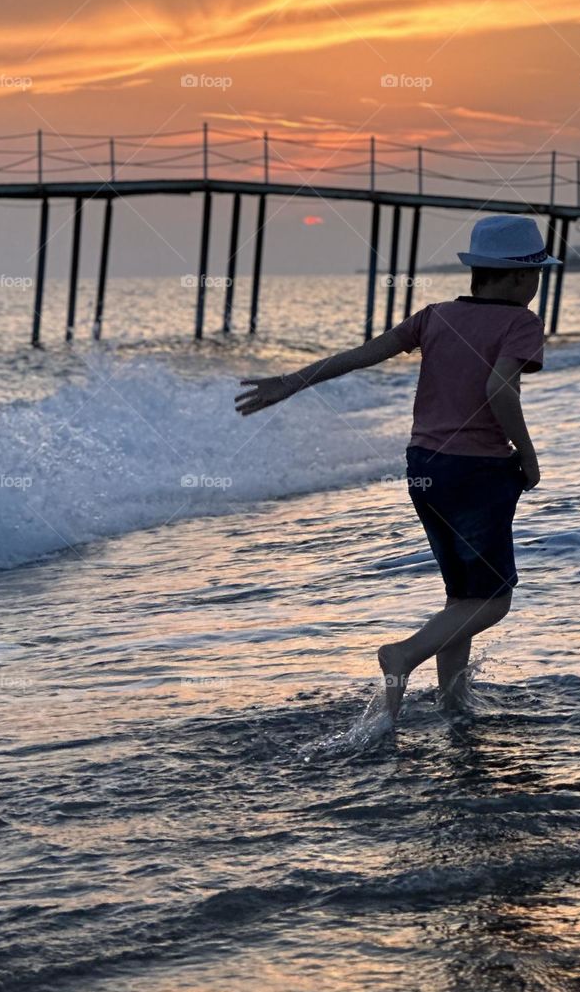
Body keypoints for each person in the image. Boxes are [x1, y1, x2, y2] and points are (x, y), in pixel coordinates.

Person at [234, 214, 561, 722]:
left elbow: (366, 354)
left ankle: (454, 704)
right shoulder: (521, 323)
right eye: (537, 273)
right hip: (480, 472)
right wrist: (530, 458)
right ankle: (403, 655)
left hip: (425, 468)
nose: (538, 284)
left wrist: (291, 381)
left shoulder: (435, 316)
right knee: (494, 602)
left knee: (462, 599)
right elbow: (500, 390)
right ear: (521, 277)